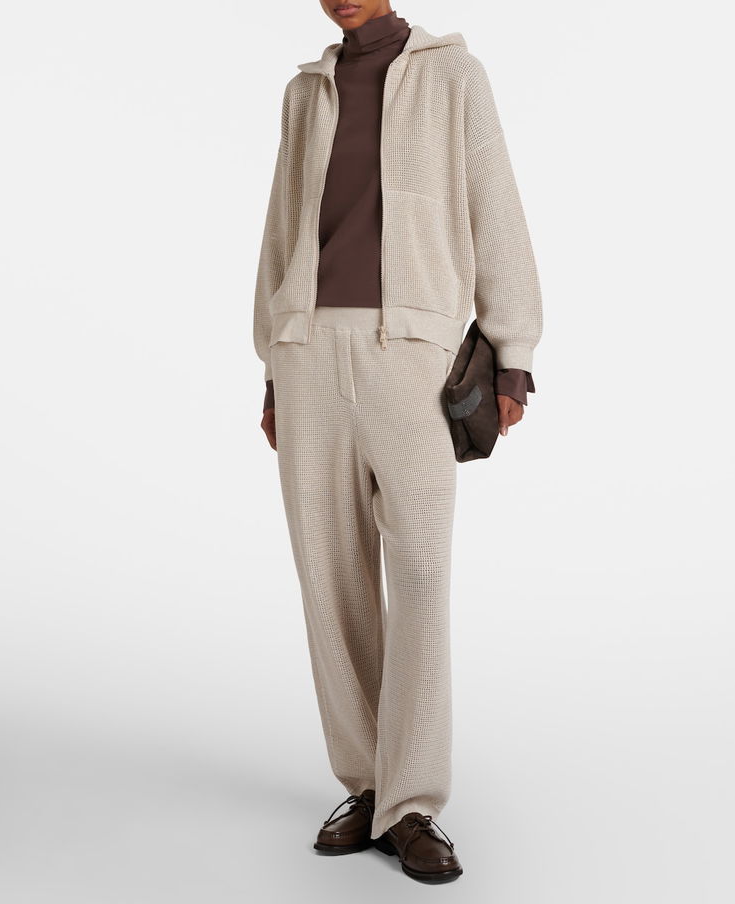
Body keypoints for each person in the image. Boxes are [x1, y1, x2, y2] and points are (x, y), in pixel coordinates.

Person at [253, 1, 542, 885]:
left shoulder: (454, 75)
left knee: (419, 572)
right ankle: (368, 785)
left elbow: (495, 209)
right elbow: (281, 230)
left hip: (411, 355)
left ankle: (412, 804)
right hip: (308, 354)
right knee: (329, 577)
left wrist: (514, 355)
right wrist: (273, 365)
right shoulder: (306, 92)